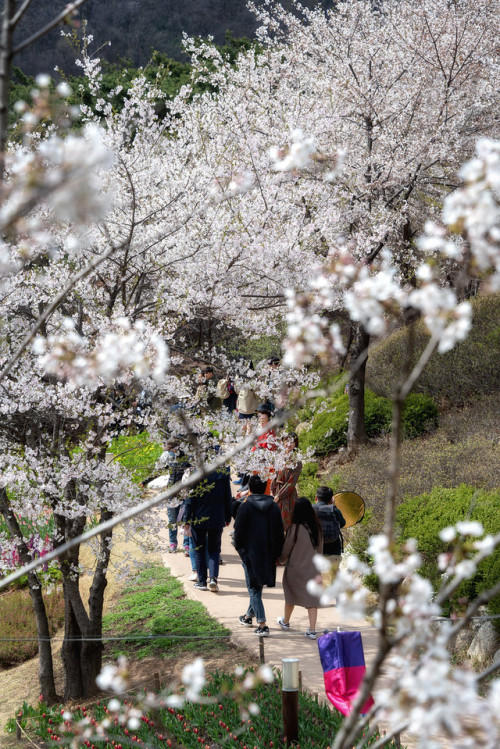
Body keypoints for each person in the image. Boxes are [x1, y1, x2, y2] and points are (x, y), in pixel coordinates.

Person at [233, 474, 284, 636]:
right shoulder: (274, 507)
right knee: (257, 585)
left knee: (254, 588)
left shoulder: (246, 507)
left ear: (250, 488)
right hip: (268, 553)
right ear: (265, 488)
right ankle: (248, 616)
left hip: (250, 553)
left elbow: (238, 535)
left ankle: (262, 624)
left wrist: (243, 553)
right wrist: (276, 553)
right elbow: (279, 534)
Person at [277, 497, 323, 639]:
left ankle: (285, 621)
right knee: (311, 601)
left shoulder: (295, 528)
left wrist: (281, 560)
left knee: (290, 596)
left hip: (295, 570)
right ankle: (312, 630)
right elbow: (320, 551)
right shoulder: (317, 528)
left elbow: (287, 549)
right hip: (313, 570)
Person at [183, 468, 232, 592]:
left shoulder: (196, 474)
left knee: (199, 549)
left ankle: (202, 581)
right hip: (217, 516)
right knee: (214, 549)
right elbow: (227, 496)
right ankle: (213, 579)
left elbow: (190, 499)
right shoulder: (223, 474)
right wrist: (227, 516)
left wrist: (186, 519)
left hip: (199, 517)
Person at [271, 432, 302, 530]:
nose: (289, 444)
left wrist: (278, 496)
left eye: (292, 442)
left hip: (287, 496)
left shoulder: (297, 461)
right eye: (287, 441)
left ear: (295, 444)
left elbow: (291, 483)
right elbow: (274, 475)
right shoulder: (279, 457)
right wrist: (272, 490)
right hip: (275, 492)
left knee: (285, 525)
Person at [313, 486, 346, 578]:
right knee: (335, 577)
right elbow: (343, 523)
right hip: (333, 549)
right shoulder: (334, 510)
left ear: (316, 498)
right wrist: (333, 505)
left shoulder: (310, 509)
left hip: (315, 550)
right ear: (331, 499)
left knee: (314, 578)